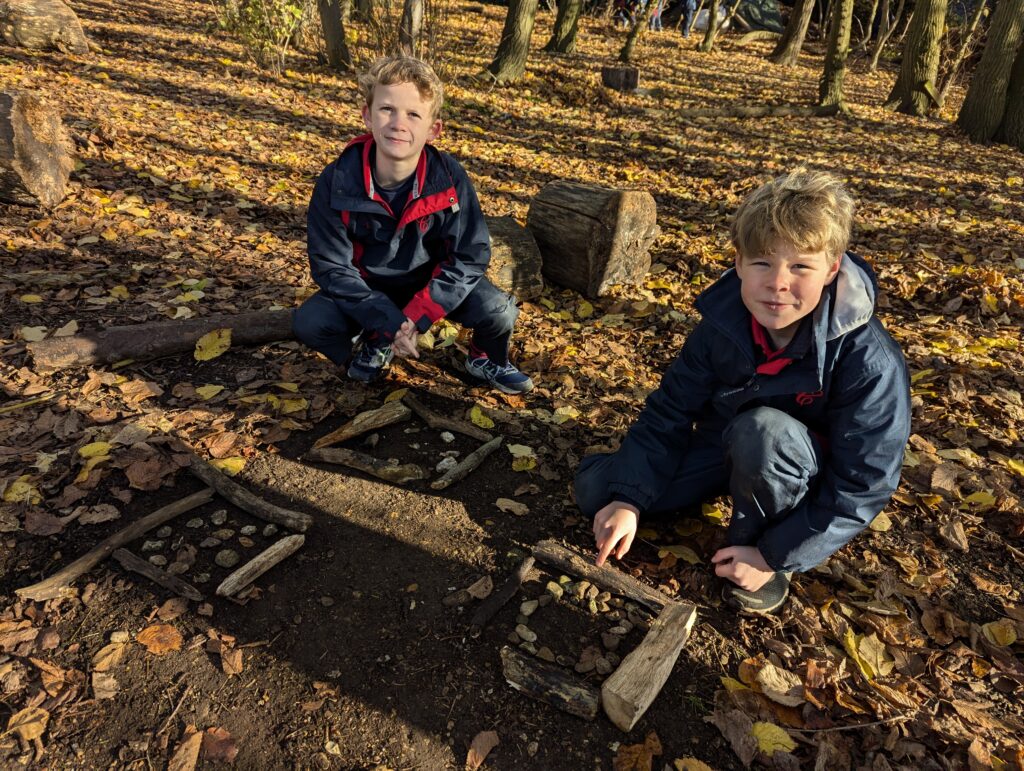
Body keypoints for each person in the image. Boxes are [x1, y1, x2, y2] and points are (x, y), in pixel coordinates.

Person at [574, 169, 911, 615]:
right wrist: (628, 499)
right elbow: (669, 411)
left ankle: (761, 549)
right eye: (763, 263)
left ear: (832, 269)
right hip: (727, 442)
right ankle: (722, 486)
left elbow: (863, 483)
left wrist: (773, 554)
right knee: (597, 490)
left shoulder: (870, 360)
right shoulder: (722, 322)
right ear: (738, 263)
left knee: (764, 433)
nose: (778, 283)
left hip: (807, 472)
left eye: (801, 266)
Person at [293, 55, 534, 394]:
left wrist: (419, 315)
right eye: (387, 109)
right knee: (310, 322)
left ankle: (486, 358)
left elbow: (468, 257)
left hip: (430, 282)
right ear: (367, 115)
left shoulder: (449, 179)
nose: (398, 123)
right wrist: (387, 322)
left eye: (413, 114)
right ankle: (373, 345)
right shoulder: (338, 181)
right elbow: (333, 267)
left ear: (433, 130)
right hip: (369, 287)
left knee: (499, 311)